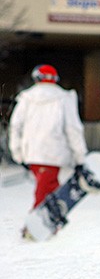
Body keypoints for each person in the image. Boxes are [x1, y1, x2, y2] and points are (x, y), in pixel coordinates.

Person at [9, 64, 88, 211]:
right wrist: (80, 158)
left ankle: (47, 217)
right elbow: (73, 129)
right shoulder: (64, 98)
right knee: (47, 187)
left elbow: (15, 126)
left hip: (31, 152)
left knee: (47, 185)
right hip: (54, 152)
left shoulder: (26, 98)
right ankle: (39, 220)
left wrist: (18, 153)